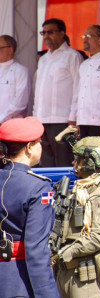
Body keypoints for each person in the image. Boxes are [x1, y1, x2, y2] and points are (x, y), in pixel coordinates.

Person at [53, 135, 100, 297]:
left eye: (78, 160)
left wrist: (65, 253)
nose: (73, 164)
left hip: (86, 276)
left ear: (90, 163)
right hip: (67, 270)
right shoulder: (83, 189)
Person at [0, 117, 60, 298]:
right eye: (38, 143)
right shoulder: (39, 188)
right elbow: (36, 250)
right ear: (28, 148)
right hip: (18, 282)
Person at [33, 18, 83, 166]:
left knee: (64, 162)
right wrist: (36, 117)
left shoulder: (72, 56)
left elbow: (78, 88)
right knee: (46, 162)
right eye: (44, 32)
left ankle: (65, 190)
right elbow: (39, 90)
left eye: (51, 32)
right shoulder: (44, 59)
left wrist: (73, 117)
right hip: (42, 119)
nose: (46, 36)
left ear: (62, 33)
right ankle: (49, 189)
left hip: (63, 119)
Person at [0, 35, 31, 123]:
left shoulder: (21, 71)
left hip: (12, 124)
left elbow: (20, 102)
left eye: (0, 48)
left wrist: (2, 118)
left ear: (10, 50)